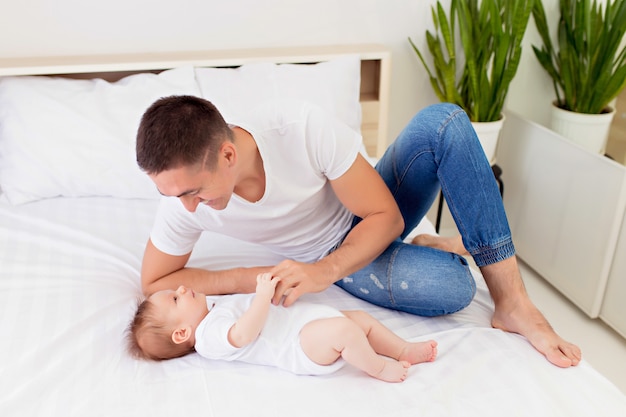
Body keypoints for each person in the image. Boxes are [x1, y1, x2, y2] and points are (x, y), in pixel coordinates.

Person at [135, 95, 581, 368]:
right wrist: (261, 275)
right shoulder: (182, 203)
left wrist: (323, 273)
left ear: (228, 155)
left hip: (369, 215)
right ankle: (431, 247)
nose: (187, 206)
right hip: (337, 252)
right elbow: (155, 282)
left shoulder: (298, 127)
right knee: (452, 286)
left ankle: (513, 303)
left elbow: (385, 217)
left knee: (443, 123)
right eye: (175, 195)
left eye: (193, 191)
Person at [128, 272, 438, 382]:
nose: (182, 289)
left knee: (359, 321)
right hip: (298, 346)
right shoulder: (208, 337)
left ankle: (403, 349)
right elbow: (242, 334)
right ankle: (379, 367)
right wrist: (262, 298)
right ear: (181, 333)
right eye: (175, 299)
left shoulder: (210, 310)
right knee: (346, 333)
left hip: (303, 324)